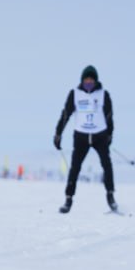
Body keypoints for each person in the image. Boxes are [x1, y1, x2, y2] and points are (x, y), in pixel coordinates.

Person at [52, 65, 117, 213]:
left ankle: (110, 195)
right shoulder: (74, 94)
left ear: (96, 81)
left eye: (91, 80)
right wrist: (58, 133)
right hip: (80, 136)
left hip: (99, 135)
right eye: (86, 79)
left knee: (107, 164)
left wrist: (110, 134)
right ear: (82, 80)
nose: (89, 82)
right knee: (75, 167)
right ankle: (68, 198)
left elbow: (109, 116)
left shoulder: (103, 94)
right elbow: (65, 115)